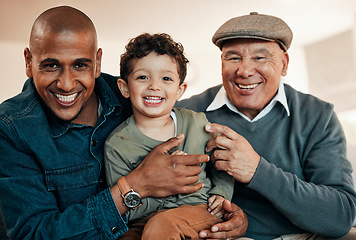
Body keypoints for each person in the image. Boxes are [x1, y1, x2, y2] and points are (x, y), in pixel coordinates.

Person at [0, 6, 247, 240]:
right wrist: (136, 186)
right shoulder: (13, 128)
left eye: (80, 65)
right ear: (28, 62)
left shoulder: (144, 99)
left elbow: (216, 159)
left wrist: (231, 209)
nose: (66, 83)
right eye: (51, 65)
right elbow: (33, 234)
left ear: (97, 63)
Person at [176, 12, 356, 239]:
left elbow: (340, 216)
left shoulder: (318, 115)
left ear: (284, 63)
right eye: (233, 58)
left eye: (260, 58)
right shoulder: (186, 113)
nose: (244, 71)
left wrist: (256, 170)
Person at [104, 33, 234, 239]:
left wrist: (222, 192)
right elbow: (127, 208)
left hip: (198, 210)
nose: (154, 86)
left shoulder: (196, 123)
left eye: (166, 78)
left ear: (180, 90)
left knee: (161, 226)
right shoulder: (117, 144)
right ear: (124, 88)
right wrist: (163, 183)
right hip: (145, 220)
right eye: (142, 77)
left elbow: (223, 162)